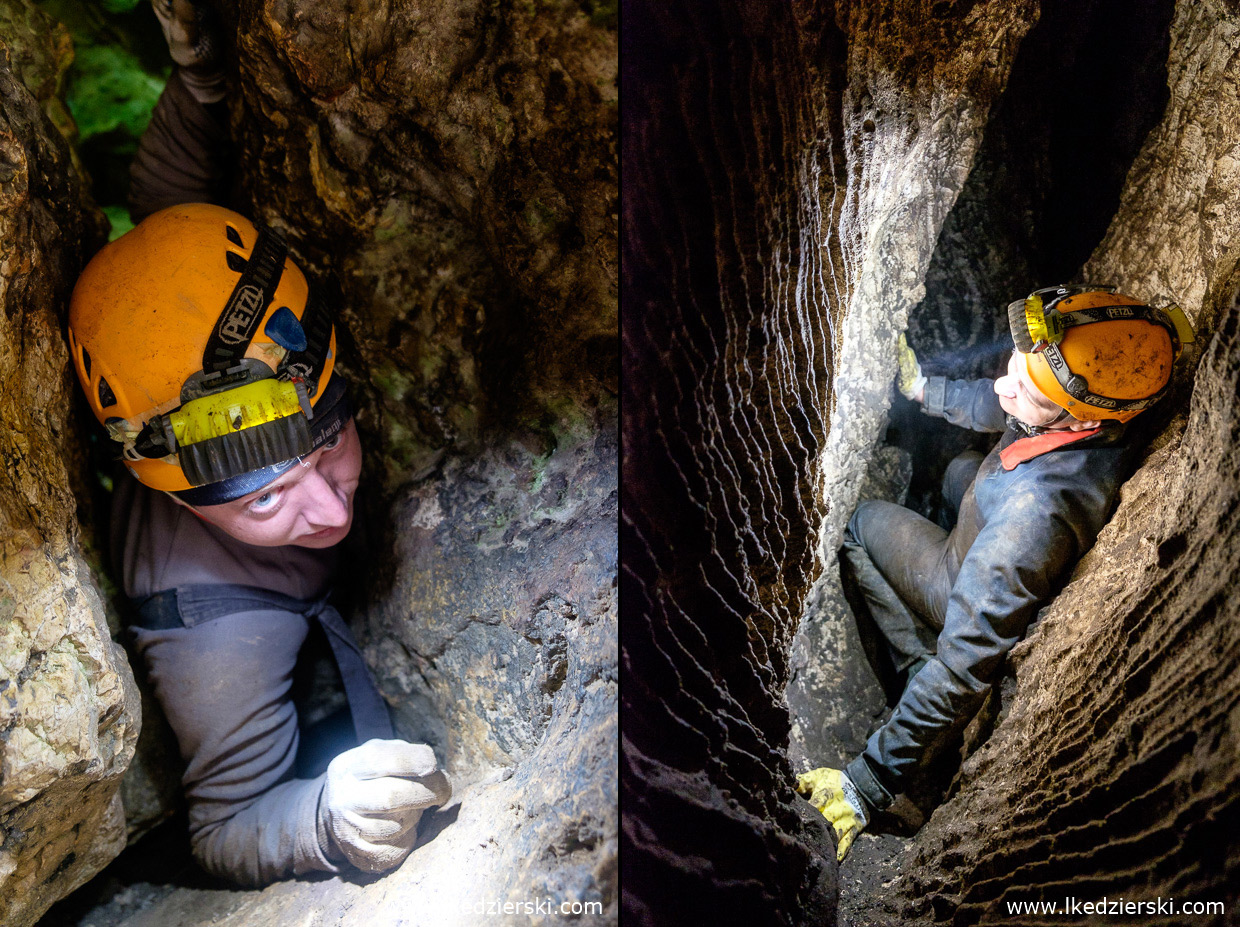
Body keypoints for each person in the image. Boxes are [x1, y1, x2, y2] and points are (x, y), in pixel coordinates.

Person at [64, 1, 451, 887]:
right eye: (266, 498)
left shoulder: (199, 287)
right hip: (245, 608)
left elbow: (173, 207)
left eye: (329, 445)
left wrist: (204, 79)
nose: (330, 508)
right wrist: (324, 818)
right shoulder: (206, 621)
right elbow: (226, 820)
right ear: (175, 495)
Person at [797, 285, 1195, 861]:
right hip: (989, 506)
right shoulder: (1101, 391)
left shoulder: (1035, 520)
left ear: (1078, 418)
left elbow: (964, 672)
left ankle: (912, 665)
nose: (1006, 385)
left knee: (861, 524)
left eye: (1027, 389)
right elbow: (1008, 403)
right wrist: (922, 389)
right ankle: (949, 508)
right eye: (1016, 367)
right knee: (961, 468)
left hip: (962, 574)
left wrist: (864, 785)